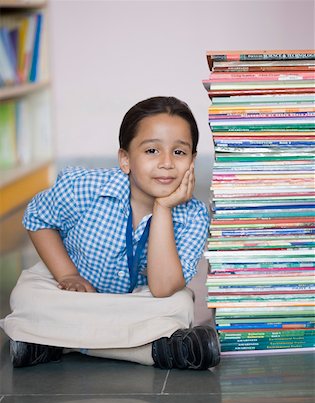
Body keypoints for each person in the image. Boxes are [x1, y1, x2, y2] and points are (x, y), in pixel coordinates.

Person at [3, 96, 220, 369]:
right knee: (28, 295)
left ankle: (49, 341)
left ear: (192, 160)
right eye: (152, 151)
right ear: (125, 159)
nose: (167, 163)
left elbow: (163, 287)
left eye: (179, 152)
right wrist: (67, 274)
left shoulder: (194, 215)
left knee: (179, 304)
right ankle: (154, 350)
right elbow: (37, 217)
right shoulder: (86, 188)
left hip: (136, 300)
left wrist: (163, 208)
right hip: (74, 293)